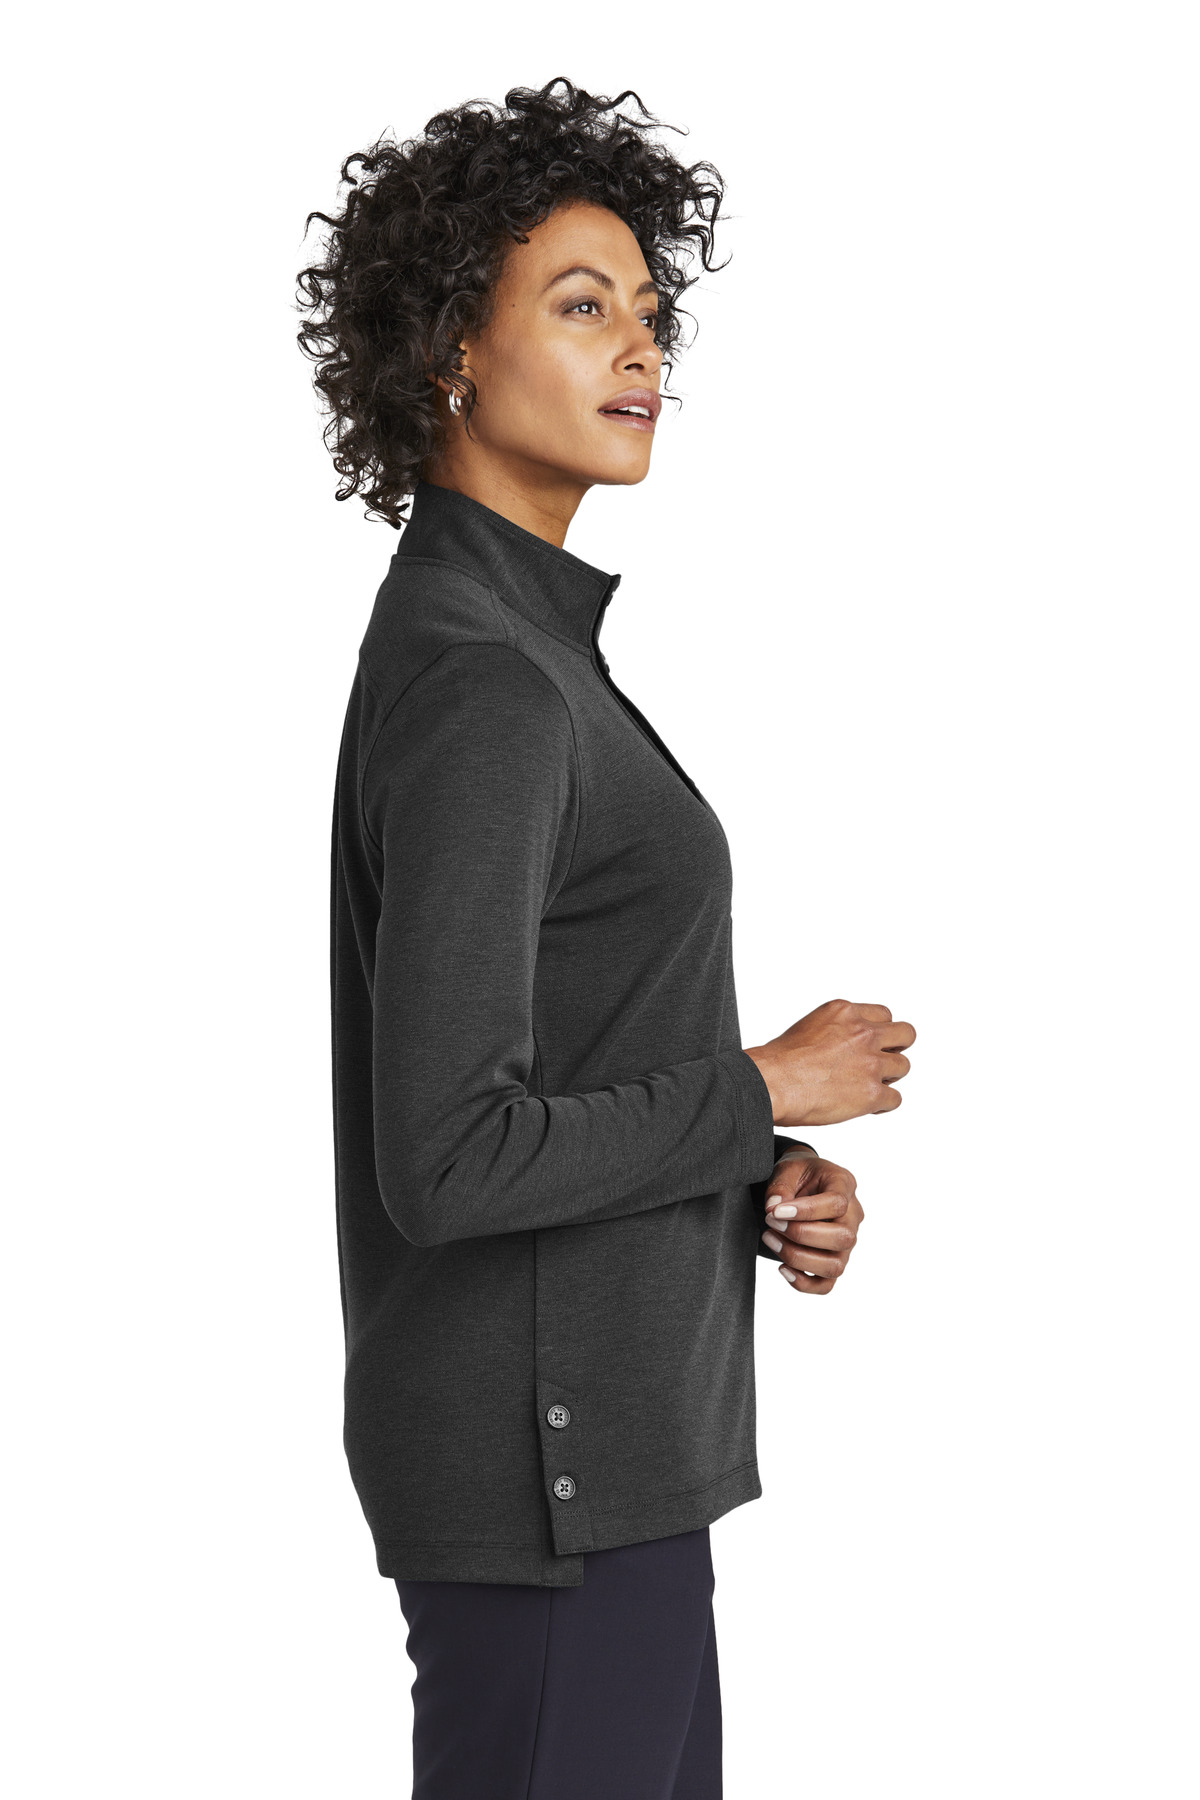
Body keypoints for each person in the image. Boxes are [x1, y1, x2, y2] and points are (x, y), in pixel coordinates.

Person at [296, 76, 915, 1800]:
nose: (640, 347)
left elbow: (559, 1054)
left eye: (649, 309)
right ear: (449, 352)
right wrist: (759, 1084)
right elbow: (448, 1155)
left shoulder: (521, 648)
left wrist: (754, 1168)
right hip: (547, 1498)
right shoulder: (489, 684)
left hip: (604, 1473)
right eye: (582, 307)